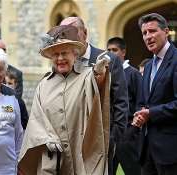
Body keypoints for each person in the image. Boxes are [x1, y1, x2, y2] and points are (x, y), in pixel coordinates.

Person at [19, 25, 110, 175]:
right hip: (52, 160)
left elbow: (97, 90)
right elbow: (36, 120)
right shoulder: (43, 85)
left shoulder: (87, 77)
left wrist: (100, 75)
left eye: (64, 53)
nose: (60, 58)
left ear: (75, 54)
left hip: (81, 155)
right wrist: (47, 137)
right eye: (55, 54)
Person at [60, 16, 128, 175]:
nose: (68, 38)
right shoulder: (62, 64)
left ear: (85, 33)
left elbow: (121, 103)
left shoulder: (109, 60)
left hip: (101, 143)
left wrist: (111, 140)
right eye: (63, 34)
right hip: (70, 142)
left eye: (72, 33)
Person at [132, 13, 177, 175]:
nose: (148, 36)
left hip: (172, 151)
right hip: (147, 149)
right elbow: (143, 101)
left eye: (153, 31)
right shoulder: (147, 66)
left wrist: (151, 113)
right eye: (144, 33)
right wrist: (139, 114)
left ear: (166, 31)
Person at [107, 37, 142, 175]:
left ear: (123, 52)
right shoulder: (105, 74)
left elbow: (141, 102)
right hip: (109, 134)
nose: (111, 53)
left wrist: (132, 130)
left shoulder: (134, 74)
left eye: (114, 50)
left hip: (128, 134)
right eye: (108, 50)